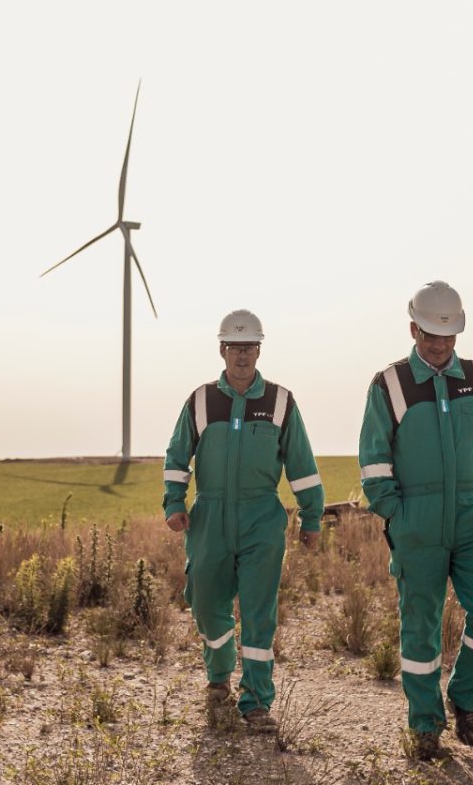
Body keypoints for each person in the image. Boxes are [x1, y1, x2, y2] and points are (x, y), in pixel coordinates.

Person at [358, 281, 473, 759]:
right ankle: (426, 724)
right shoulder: (390, 384)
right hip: (417, 521)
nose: (439, 345)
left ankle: (466, 700)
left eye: (447, 336)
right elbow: (373, 459)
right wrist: (396, 514)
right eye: (429, 335)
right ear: (413, 328)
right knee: (420, 626)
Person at [163, 309, 325, 731]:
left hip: (261, 519)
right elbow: (178, 456)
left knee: (259, 611)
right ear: (222, 349)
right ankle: (219, 669)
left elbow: (302, 463)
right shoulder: (200, 401)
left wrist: (311, 515)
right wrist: (173, 502)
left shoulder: (280, 402)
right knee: (204, 601)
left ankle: (255, 701)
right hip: (209, 516)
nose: (242, 355)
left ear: (259, 349)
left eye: (250, 347)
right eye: (235, 347)